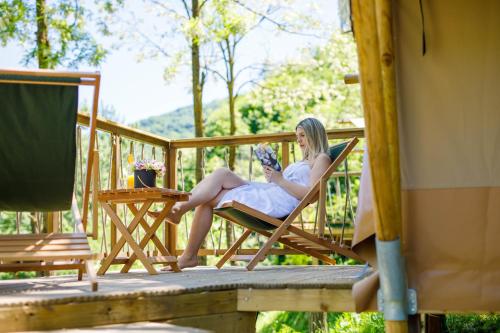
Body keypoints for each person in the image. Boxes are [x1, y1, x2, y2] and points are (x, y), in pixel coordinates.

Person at [166, 118, 332, 269]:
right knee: (221, 175)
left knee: (213, 189)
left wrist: (279, 179)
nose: (299, 140)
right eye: (297, 136)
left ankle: (182, 224)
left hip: (274, 204)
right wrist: (274, 176)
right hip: (270, 192)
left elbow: (312, 195)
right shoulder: (303, 161)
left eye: (302, 135)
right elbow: (284, 183)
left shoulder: (322, 159)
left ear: (314, 134)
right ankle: (182, 222)